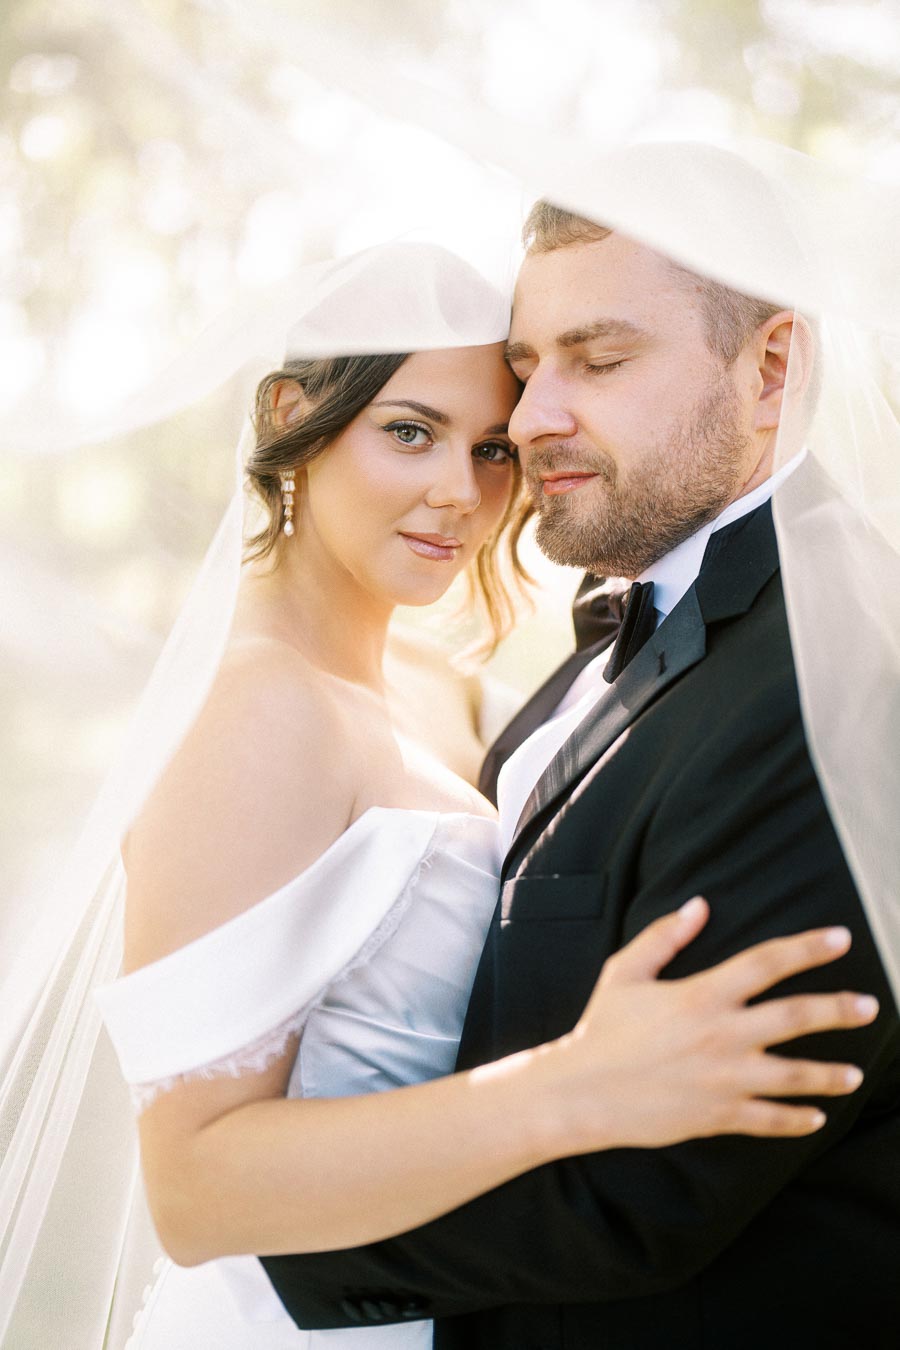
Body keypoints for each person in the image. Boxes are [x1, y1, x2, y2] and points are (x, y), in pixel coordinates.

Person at [89, 244, 878, 1350]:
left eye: (492, 447)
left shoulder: (449, 691)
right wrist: (574, 1084)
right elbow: (192, 1191)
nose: (461, 493)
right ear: (291, 414)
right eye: (409, 431)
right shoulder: (256, 712)